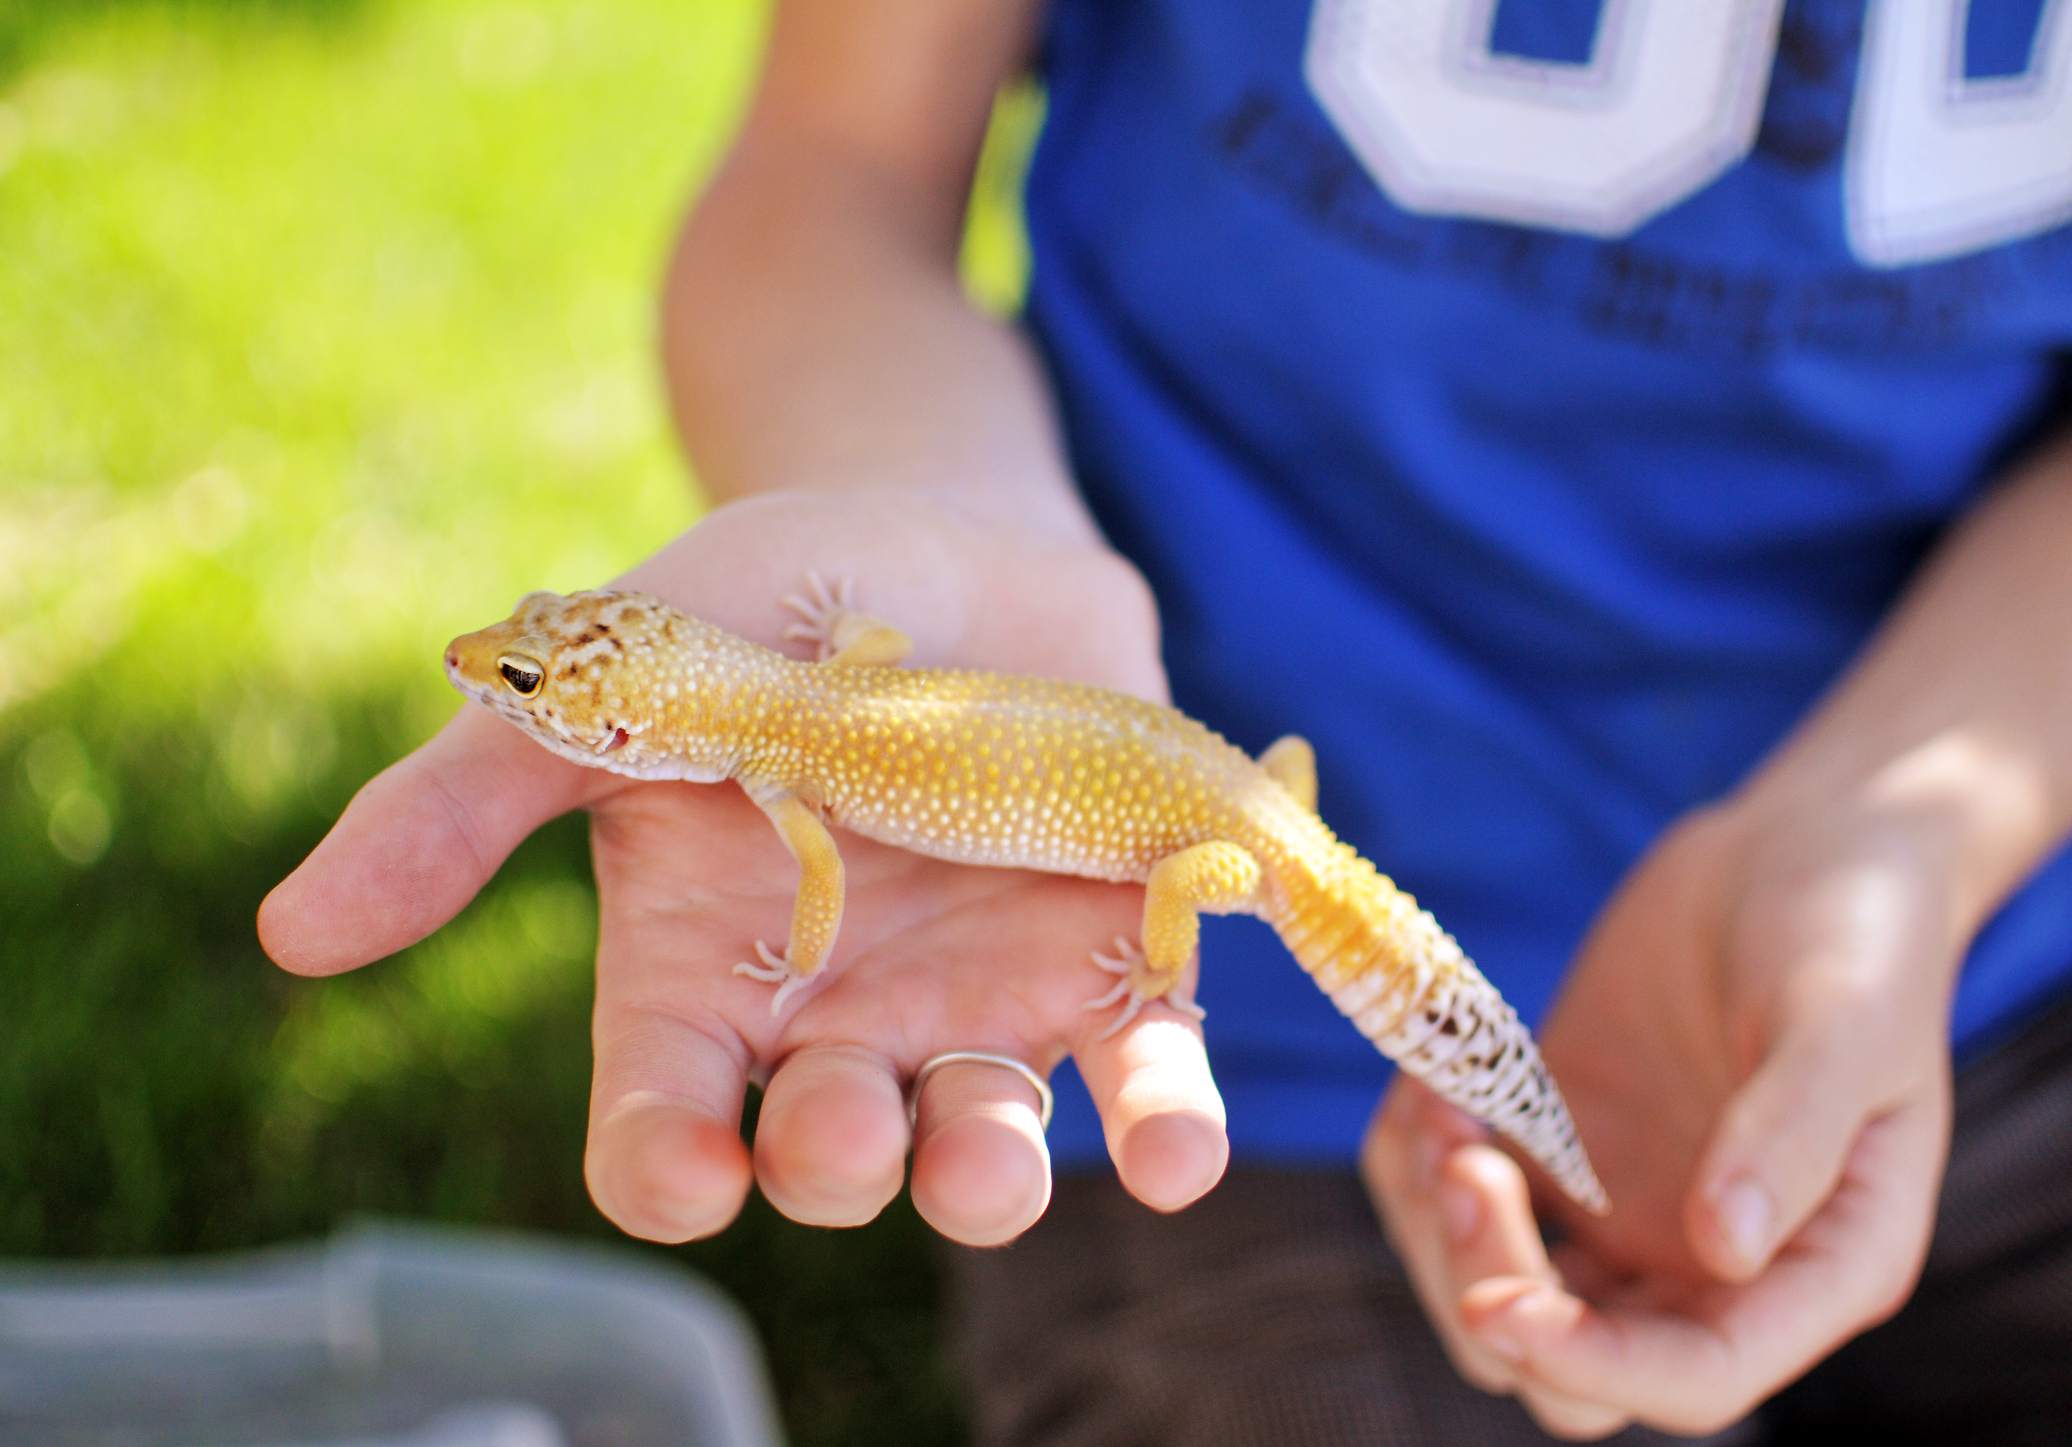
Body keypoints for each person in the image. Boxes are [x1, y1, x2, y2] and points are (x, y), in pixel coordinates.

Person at [259, 1, 2072, 1440]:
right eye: (537, 663)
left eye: (537, 671)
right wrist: (917, 484)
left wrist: (1906, 821)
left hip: (1992, 998)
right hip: (1282, 1102)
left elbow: (809, 904)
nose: (511, 668)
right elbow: (830, 174)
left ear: (642, 721)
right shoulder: (812, 705)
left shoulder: (797, 747)